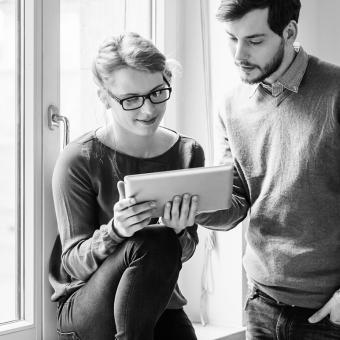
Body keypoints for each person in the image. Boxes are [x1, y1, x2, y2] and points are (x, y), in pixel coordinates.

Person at [196, 0, 340, 339]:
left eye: (254, 41)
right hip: (260, 304)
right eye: (232, 38)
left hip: (328, 314)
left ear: (289, 32)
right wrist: (196, 208)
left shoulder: (335, 92)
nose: (238, 54)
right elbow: (235, 204)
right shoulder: (231, 105)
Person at [49, 32, 204, 340]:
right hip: (88, 302)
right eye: (131, 99)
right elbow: (73, 264)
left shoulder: (188, 152)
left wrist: (178, 231)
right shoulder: (79, 158)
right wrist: (116, 231)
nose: (148, 110)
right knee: (154, 240)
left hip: (158, 302)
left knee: (162, 240)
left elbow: (183, 254)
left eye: (158, 92)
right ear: (105, 97)